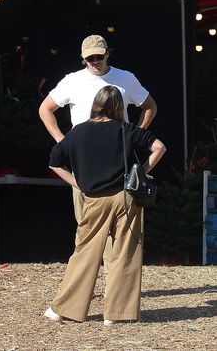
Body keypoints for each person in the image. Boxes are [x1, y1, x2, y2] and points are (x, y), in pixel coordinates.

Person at [44, 85, 166, 325]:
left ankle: (64, 309)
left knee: (85, 253)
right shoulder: (127, 130)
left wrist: (77, 183)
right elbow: (159, 147)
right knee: (125, 254)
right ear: (119, 106)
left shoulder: (77, 133)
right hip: (125, 198)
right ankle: (118, 314)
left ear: (95, 105)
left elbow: (54, 162)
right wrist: (139, 174)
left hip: (94, 200)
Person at [39, 34, 157, 281]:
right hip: (86, 163)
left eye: (99, 56)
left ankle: (113, 285)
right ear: (83, 59)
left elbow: (150, 106)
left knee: (120, 231)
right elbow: (45, 109)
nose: (95, 61)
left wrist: (136, 135)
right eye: (90, 58)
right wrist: (64, 142)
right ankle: (84, 284)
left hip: (118, 162)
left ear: (107, 54)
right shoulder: (72, 81)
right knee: (86, 228)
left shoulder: (126, 78)